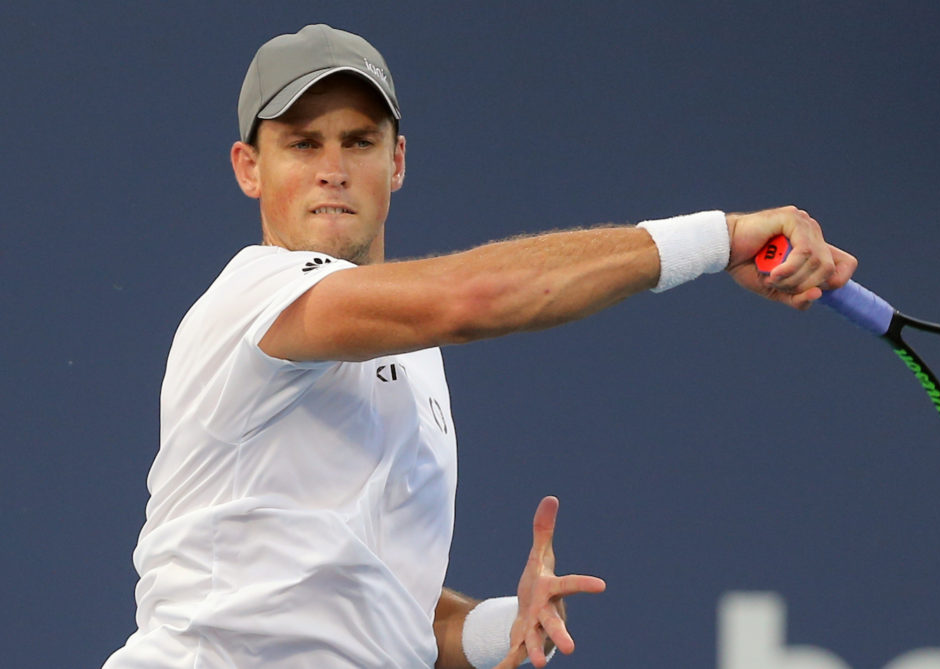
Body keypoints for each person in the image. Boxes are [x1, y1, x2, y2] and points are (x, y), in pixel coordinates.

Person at [102, 24, 856, 669]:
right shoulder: (256, 290)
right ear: (248, 168)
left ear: (396, 163)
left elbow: (381, 612)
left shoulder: (415, 359)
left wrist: (503, 622)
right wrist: (718, 238)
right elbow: (474, 297)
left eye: (359, 141)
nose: (333, 166)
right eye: (303, 142)